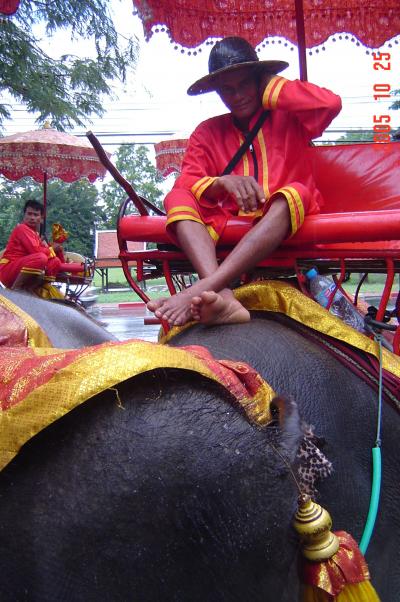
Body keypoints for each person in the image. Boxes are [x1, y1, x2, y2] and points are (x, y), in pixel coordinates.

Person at [147, 36, 342, 327]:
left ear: (259, 80)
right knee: (176, 197)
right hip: (229, 223)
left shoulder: (290, 117)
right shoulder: (208, 131)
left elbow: (330, 103)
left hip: (289, 216)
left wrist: (271, 85)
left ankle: (204, 287)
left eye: (245, 84)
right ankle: (223, 293)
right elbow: (187, 181)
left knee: (296, 192)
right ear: (217, 92)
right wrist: (222, 183)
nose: (237, 95)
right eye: (227, 89)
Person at [0, 199, 64, 291]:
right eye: (29, 214)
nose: (32, 218)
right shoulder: (21, 228)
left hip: (20, 268)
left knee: (55, 261)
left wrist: (59, 250)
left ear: (41, 219)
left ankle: (31, 289)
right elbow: (37, 252)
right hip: (7, 271)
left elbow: (55, 259)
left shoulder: (36, 234)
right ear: (24, 216)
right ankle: (16, 289)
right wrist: (52, 249)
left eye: (36, 215)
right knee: (41, 258)